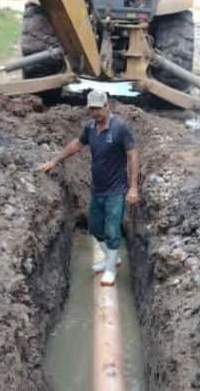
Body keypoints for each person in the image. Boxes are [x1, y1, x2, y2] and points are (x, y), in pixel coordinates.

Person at [39, 90, 139, 286]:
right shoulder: (90, 127)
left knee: (112, 230)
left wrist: (133, 187)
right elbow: (76, 144)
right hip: (97, 189)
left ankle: (110, 269)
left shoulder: (120, 128)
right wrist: (55, 161)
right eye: (91, 109)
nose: (94, 112)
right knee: (95, 228)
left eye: (97, 108)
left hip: (116, 190)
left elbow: (133, 155)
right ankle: (114, 258)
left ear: (106, 105)